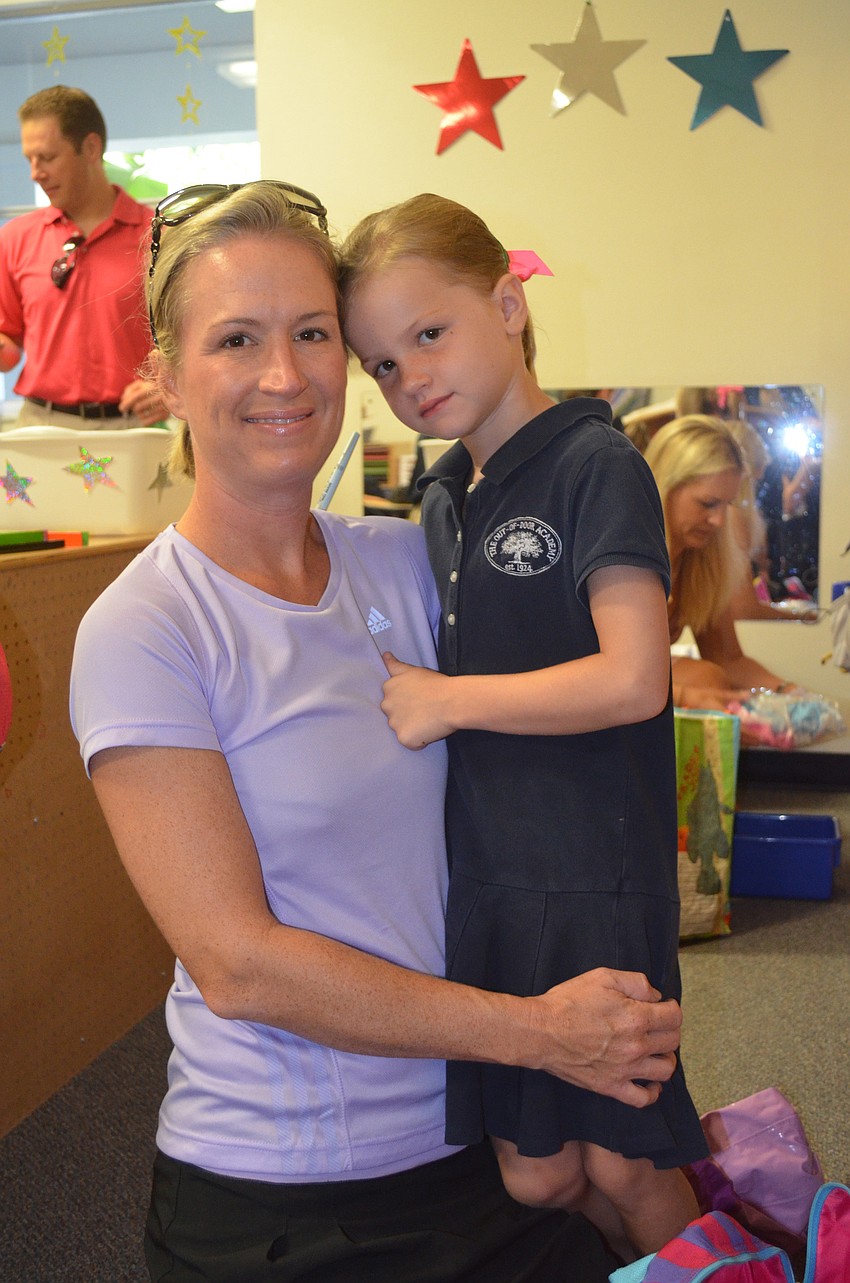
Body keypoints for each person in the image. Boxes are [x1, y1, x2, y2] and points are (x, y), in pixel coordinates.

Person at [69, 181, 685, 1283]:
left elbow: (584, 721)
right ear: (162, 374)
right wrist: (540, 1031)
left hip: (484, 1134)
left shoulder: (407, 557)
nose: (283, 374)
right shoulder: (148, 626)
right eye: (236, 339)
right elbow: (241, 963)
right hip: (293, 1196)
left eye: (313, 334)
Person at [339, 192, 707, 1261]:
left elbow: (635, 676)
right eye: (382, 364)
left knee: (625, 1159)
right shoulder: (446, 493)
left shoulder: (598, 464)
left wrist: (447, 700)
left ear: (507, 302)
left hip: (594, 870)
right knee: (538, 1168)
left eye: (428, 333)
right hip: (492, 881)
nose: (410, 377)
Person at [0, 85, 168, 428]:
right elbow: (8, 342)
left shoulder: (158, 238)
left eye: (47, 158)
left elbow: (192, 340)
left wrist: (170, 383)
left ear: (90, 148)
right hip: (39, 424)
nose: (35, 172)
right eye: (29, 160)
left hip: (134, 426)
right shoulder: (14, 238)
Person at [643, 414, 789, 709]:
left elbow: (729, 660)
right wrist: (688, 696)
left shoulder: (700, 563)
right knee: (706, 679)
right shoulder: (624, 557)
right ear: (665, 489)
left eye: (727, 504)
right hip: (594, 695)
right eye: (708, 503)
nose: (719, 520)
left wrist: (792, 694)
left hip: (640, 695)